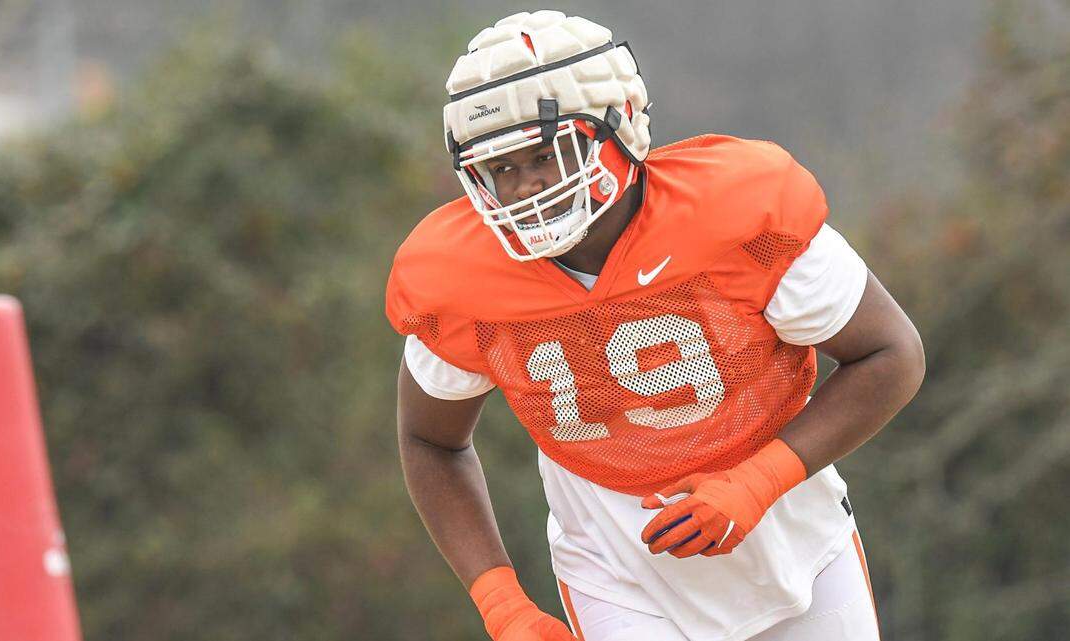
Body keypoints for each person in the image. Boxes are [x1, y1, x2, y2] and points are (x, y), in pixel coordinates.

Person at [385, 10, 924, 641]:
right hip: (618, 572)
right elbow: (430, 442)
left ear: (622, 125)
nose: (529, 184)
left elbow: (892, 354)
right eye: (503, 168)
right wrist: (499, 600)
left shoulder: (734, 213)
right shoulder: (463, 277)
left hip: (796, 538)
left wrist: (761, 479)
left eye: (548, 154)